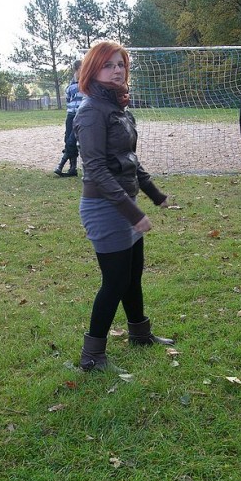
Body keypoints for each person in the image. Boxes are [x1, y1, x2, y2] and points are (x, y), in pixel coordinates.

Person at [73, 41, 175, 372]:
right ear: (93, 70)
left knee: (132, 276)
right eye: (108, 65)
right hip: (104, 207)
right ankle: (92, 356)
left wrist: (155, 194)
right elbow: (96, 169)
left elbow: (129, 159)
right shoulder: (91, 112)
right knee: (115, 282)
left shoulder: (118, 108)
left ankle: (140, 334)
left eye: (120, 64)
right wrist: (133, 213)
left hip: (124, 202)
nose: (117, 70)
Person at [54, 60, 84, 177]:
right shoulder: (70, 86)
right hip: (71, 115)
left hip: (80, 116)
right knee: (68, 140)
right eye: (82, 68)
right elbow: (68, 100)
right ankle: (73, 169)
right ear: (77, 69)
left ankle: (60, 165)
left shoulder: (86, 84)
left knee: (71, 141)